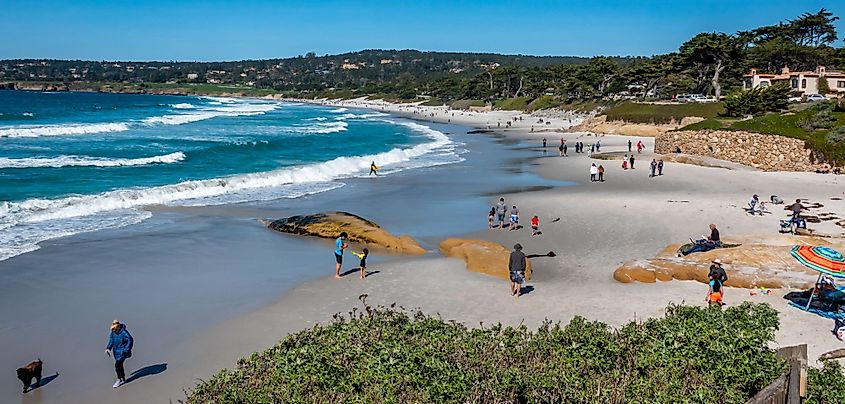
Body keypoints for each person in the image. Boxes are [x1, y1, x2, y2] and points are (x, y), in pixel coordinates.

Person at [105, 320, 134, 388]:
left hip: (122, 352)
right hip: (116, 352)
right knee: (120, 365)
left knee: (117, 365)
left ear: (118, 327)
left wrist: (125, 350)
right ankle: (123, 378)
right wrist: (108, 348)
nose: (113, 330)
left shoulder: (124, 332)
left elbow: (130, 340)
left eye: (114, 328)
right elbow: (111, 340)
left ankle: (119, 380)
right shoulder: (113, 332)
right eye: (112, 329)